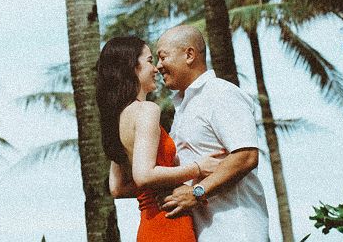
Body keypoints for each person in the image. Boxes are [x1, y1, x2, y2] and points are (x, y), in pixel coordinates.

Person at [96, 36, 222, 242]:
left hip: (148, 226)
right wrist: (198, 168)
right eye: (148, 61)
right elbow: (144, 175)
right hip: (169, 222)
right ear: (132, 66)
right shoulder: (147, 110)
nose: (155, 69)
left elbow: (116, 188)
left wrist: (160, 187)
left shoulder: (117, 118)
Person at [155, 24, 270, 241]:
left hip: (236, 229)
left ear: (189, 54)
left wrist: (197, 192)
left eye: (163, 57)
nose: (158, 66)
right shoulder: (184, 106)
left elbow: (246, 156)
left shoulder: (220, 94)